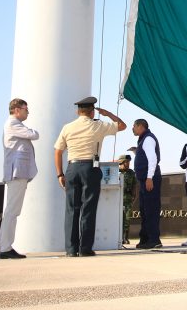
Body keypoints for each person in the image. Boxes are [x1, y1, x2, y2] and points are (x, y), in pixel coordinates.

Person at [54, 97, 126, 257]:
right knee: (88, 209)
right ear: (92, 111)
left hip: (72, 168)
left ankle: (71, 250)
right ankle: (85, 248)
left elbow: (58, 151)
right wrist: (108, 114)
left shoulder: (67, 127)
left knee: (71, 210)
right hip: (89, 168)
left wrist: (60, 173)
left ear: (77, 111)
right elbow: (122, 126)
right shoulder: (98, 125)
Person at [0, 98, 38, 259]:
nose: (28, 112)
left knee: (11, 211)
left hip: (17, 172)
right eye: (26, 109)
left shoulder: (14, 124)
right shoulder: (14, 124)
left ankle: (2, 246)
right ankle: (5, 248)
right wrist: (32, 132)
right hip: (17, 172)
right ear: (16, 109)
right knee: (12, 211)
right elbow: (34, 134)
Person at [133, 119, 163, 249]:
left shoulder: (148, 139)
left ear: (141, 126)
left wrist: (149, 178)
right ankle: (145, 239)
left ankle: (154, 240)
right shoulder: (143, 139)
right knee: (144, 210)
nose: (132, 128)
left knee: (151, 210)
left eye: (134, 126)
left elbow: (153, 159)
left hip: (150, 179)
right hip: (144, 180)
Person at [117, 154, 137, 245]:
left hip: (128, 198)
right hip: (117, 199)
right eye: (126, 162)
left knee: (127, 218)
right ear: (121, 162)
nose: (128, 163)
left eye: (129, 162)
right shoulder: (116, 171)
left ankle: (125, 237)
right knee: (118, 218)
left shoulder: (131, 172)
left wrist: (134, 195)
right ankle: (117, 237)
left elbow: (134, 185)